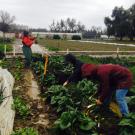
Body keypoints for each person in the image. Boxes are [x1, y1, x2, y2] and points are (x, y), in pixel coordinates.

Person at [63, 54, 133, 116]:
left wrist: (100, 99)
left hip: (125, 78)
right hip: (114, 79)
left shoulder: (101, 73)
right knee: (108, 94)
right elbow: (102, 85)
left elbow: (105, 87)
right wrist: (97, 93)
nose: (90, 78)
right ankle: (105, 108)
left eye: (89, 76)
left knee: (119, 97)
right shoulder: (97, 71)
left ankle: (126, 116)